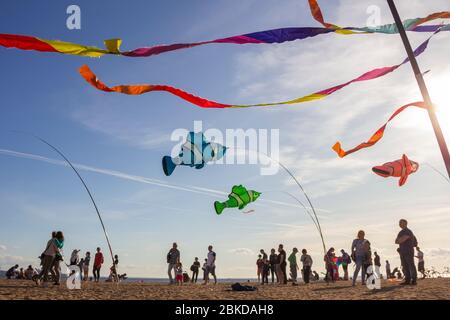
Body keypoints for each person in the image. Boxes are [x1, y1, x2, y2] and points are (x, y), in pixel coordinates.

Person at [395, 219, 418, 285]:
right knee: (405, 266)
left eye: (401, 223)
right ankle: (407, 280)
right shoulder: (400, 232)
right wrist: (400, 240)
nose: (399, 224)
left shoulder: (408, 231)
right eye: (399, 223)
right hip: (402, 251)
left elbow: (401, 240)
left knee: (411, 265)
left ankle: (414, 280)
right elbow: (396, 241)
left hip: (408, 250)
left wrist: (400, 239)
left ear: (405, 223)